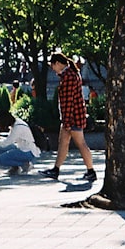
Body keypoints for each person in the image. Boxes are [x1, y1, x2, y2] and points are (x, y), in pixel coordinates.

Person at [39, 52, 96, 182]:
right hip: (74, 116)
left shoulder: (68, 76)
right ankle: (56, 169)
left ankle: (90, 171)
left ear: (58, 63)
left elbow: (68, 101)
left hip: (72, 117)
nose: (52, 68)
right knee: (64, 143)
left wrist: (67, 121)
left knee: (79, 143)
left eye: (52, 65)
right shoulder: (71, 74)